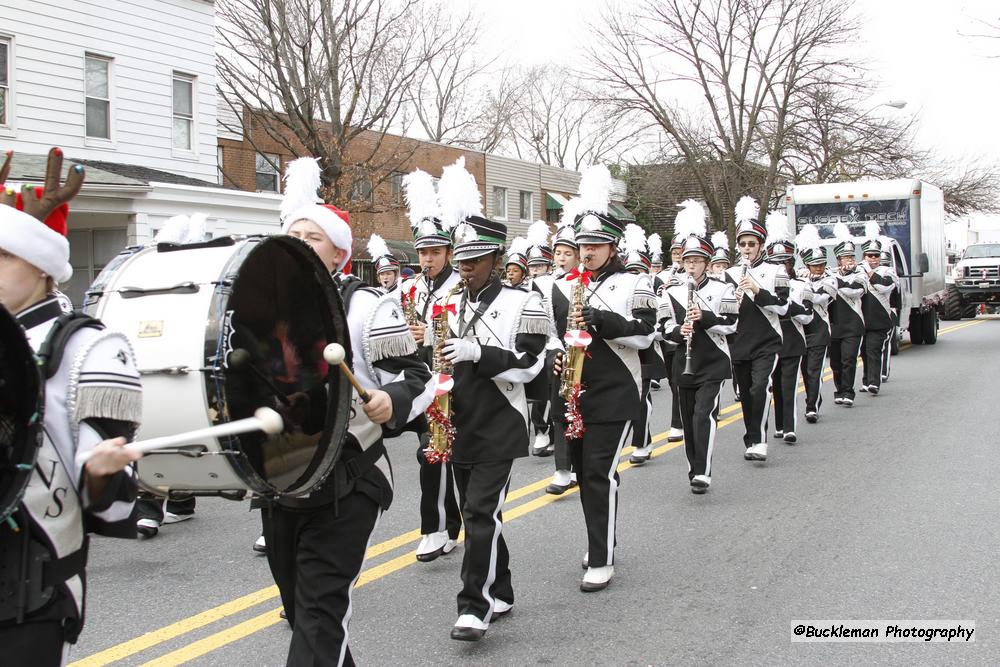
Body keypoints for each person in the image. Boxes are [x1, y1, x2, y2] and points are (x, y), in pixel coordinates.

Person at [262, 157, 432, 665]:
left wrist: (392, 400)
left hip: (348, 478)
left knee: (318, 613)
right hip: (281, 481)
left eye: (313, 237)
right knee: (303, 613)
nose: (300, 242)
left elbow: (416, 377)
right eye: (293, 234)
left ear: (339, 253)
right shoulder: (262, 311)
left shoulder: (370, 308)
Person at [0, 149, 142, 665]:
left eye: (2, 256)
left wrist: (101, 472)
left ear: (41, 267)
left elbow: (113, 503)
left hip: (31, 585)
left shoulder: (90, 349)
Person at [435, 158, 549, 640]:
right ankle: (500, 589)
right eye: (460, 261)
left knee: (481, 512)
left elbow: (530, 364)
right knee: (478, 513)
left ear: (496, 260)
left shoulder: (526, 302)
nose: (464, 268)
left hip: (500, 421)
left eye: (474, 260)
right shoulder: (448, 300)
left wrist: (476, 349)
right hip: (458, 420)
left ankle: (473, 606)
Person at [552, 165, 657, 592]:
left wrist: (605, 321)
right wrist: (556, 358)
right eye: (582, 245)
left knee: (598, 471)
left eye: (596, 244)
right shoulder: (557, 287)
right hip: (573, 393)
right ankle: (603, 538)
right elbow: (546, 338)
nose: (588, 251)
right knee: (583, 473)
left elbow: (648, 334)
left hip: (616, 390)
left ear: (612, 246)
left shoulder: (637, 282)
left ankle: (601, 557)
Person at [398, 168, 463, 563]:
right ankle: (440, 526)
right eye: (422, 252)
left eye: (435, 252)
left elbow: (472, 332)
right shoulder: (409, 287)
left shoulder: (462, 285)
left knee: (444, 454)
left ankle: (442, 527)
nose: (427, 259)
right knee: (432, 452)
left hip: (457, 379)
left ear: (449, 253)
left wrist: (434, 335)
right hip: (422, 381)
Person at [659, 227, 738, 494]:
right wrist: (677, 331)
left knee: (704, 414)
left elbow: (731, 324)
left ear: (706, 262)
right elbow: (662, 327)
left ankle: (703, 471)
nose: (691, 266)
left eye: (696, 261)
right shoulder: (671, 292)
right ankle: (694, 467)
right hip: (684, 360)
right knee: (689, 418)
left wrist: (704, 317)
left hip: (713, 360)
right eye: (687, 261)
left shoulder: (723, 288)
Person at [724, 197, 789, 462]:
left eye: (752, 244)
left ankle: (760, 440)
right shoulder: (728, 274)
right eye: (743, 244)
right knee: (746, 394)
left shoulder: (777, 271)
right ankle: (750, 437)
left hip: (767, 341)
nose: (747, 249)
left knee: (760, 387)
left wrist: (757, 290)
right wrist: (733, 300)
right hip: (740, 341)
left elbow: (784, 307)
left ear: (761, 245)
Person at [764, 214, 813, 445]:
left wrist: (787, 305)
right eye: (776, 262)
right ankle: (780, 424)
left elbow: (808, 315)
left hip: (793, 340)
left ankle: (790, 427)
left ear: (791, 263)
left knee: (789, 384)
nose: (780, 266)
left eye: (784, 262)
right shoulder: (764, 285)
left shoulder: (802, 285)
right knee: (775, 385)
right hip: (771, 340)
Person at [621, 224, 666, 466]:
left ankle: (642, 443)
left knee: (642, 398)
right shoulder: (624, 288)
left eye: (639, 269)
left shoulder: (654, 286)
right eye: (631, 269)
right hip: (622, 349)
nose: (635, 273)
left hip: (645, 349)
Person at [545, 221, 581, 494]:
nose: (562, 258)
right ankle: (562, 469)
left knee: (582, 411)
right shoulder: (547, 285)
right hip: (559, 351)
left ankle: (581, 464)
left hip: (586, 354)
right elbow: (547, 325)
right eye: (558, 253)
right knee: (559, 413)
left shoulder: (587, 282)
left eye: (568, 253)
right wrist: (557, 348)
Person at [795, 225, 835, 424]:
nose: (818, 268)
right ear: (807, 265)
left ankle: (812, 406)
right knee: (804, 370)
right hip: (802, 331)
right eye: (814, 265)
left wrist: (806, 283)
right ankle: (811, 400)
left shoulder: (831, 280)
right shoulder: (799, 279)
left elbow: (817, 298)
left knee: (814, 370)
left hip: (819, 330)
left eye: (821, 264)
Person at [524, 220, 557, 457]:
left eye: (540, 265)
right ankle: (541, 430)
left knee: (553, 391)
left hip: (554, 341)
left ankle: (549, 432)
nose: (535, 269)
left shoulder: (555, 284)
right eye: (532, 265)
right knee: (537, 389)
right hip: (535, 343)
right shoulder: (523, 287)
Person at [828, 224, 867, 407]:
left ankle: (848, 391)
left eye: (851, 257)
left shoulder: (861, 275)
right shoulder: (831, 274)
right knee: (836, 362)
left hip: (853, 325)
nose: (849, 260)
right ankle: (839, 389)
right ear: (838, 260)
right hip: (834, 326)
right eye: (845, 257)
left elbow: (855, 291)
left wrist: (834, 280)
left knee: (849, 359)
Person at [859, 224, 897, 395]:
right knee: (864, 352)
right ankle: (867, 380)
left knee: (873, 350)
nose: (873, 259)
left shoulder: (888, 271)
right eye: (869, 255)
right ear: (864, 256)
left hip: (880, 319)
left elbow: (885, 287)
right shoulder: (858, 270)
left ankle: (874, 382)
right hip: (861, 320)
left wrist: (868, 272)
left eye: (876, 255)